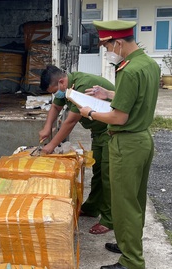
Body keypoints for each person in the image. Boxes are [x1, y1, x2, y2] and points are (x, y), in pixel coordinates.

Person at [68, 20, 160, 269]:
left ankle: (132, 261)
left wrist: (89, 112)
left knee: (123, 203)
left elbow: (119, 118)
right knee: (136, 199)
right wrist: (107, 94)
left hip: (126, 142)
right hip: (142, 139)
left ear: (117, 42)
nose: (106, 50)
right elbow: (133, 97)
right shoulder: (148, 64)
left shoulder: (128, 70)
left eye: (106, 45)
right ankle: (128, 244)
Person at [39, 64, 115, 235]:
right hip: (98, 131)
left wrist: (51, 146)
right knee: (98, 171)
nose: (54, 95)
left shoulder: (82, 86)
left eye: (54, 91)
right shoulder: (66, 88)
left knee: (108, 175)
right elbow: (56, 107)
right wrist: (47, 127)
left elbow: (70, 122)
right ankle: (92, 207)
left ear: (61, 82)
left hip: (111, 131)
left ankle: (109, 219)